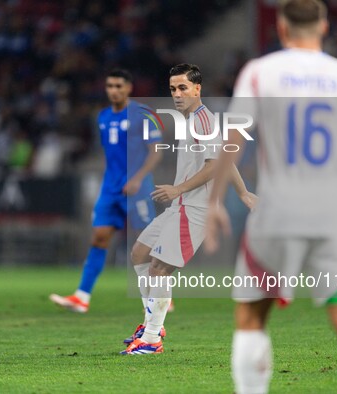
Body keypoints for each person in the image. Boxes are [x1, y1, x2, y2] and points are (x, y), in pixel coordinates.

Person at [205, 1, 337, 393]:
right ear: (323, 26)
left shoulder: (259, 74)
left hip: (275, 214)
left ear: (282, 29)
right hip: (332, 217)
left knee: (252, 319)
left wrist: (216, 200)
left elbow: (233, 141)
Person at [121, 64, 256, 355]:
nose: (177, 94)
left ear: (198, 89)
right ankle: (151, 325)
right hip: (180, 205)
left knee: (159, 268)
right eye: (172, 89)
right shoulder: (192, 120)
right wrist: (243, 192)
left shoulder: (203, 121)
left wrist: (178, 189)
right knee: (139, 254)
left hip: (195, 207)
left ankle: (152, 339)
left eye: (183, 88)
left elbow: (213, 166)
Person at [50, 69, 163, 313]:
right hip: (110, 188)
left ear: (129, 88)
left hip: (137, 187)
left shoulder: (143, 114)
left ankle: (161, 294)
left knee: (146, 244)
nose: (114, 90)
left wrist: (138, 178)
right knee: (99, 237)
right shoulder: (102, 117)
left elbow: (156, 151)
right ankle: (82, 296)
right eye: (110, 86)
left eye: (119, 86)